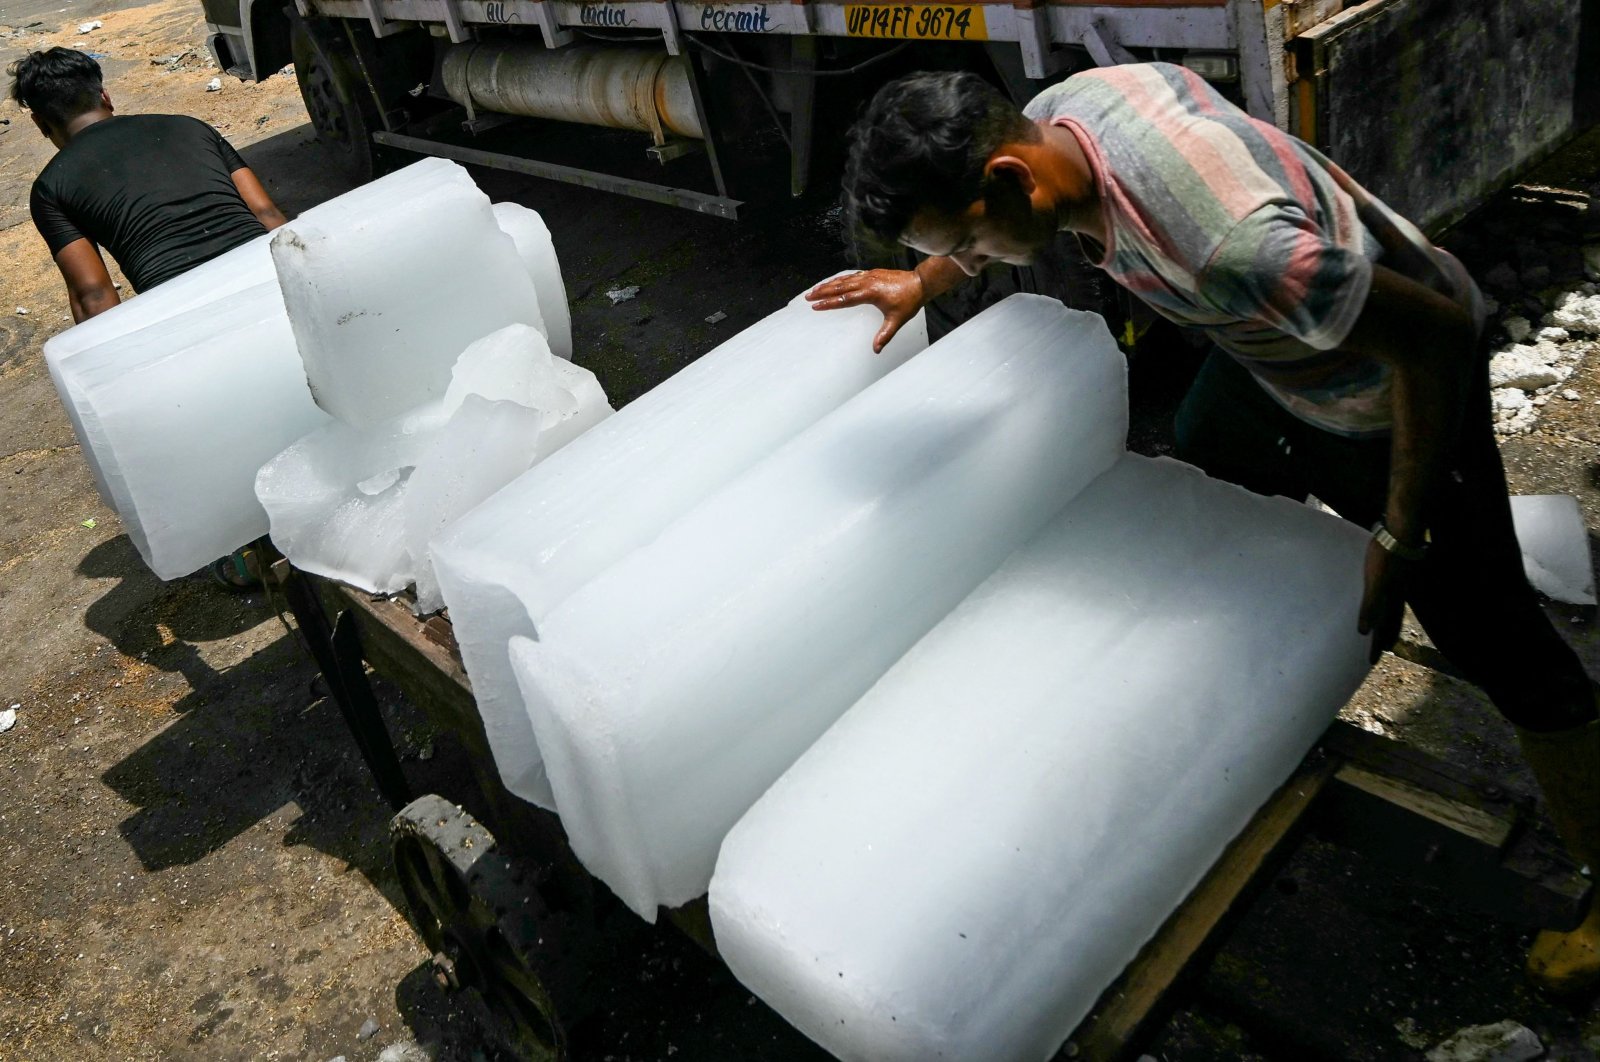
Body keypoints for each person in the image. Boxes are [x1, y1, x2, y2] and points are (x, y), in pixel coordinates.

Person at [809, 64, 1600, 998]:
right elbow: (995, 216)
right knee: (1202, 453)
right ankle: (1253, 706)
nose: (970, 265)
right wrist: (924, 273)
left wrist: (1399, 533)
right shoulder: (1067, 113)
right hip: (1272, 355)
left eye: (971, 242)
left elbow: (1437, 340)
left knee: (1502, 646)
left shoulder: (1232, 250)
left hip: (1383, 395)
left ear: (1015, 178)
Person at [9, 46, 287, 323]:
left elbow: (93, 295)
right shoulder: (191, 128)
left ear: (40, 124)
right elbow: (266, 213)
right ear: (105, 97)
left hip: (183, 313)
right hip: (269, 276)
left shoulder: (51, 187)